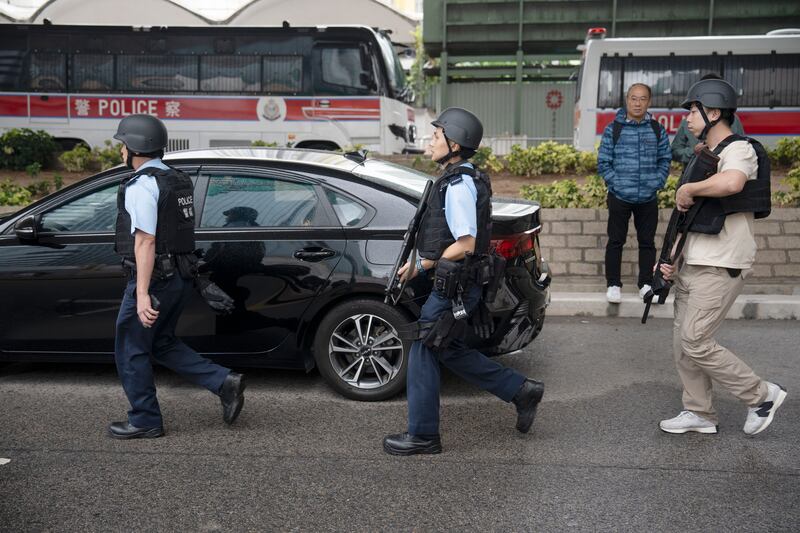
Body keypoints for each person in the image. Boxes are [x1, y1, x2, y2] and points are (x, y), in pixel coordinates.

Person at [382, 107, 544, 456]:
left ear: (454, 143)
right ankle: (521, 390)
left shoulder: (458, 184)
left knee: (425, 344)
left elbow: (466, 243)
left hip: (455, 285)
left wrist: (430, 264)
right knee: (445, 347)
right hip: (456, 281)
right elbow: (452, 240)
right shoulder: (459, 177)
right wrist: (419, 267)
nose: (431, 140)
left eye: (437, 135)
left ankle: (423, 434)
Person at [658, 79, 786, 436]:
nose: (686, 119)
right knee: (683, 344)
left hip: (722, 263)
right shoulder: (702, 156)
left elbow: (731, 184)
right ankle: (699, 412)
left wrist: (688, 188)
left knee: (696, 339)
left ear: (713, 112)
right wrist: (669, 258)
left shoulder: (739, 149)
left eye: (692, 111)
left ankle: (761, 395)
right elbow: (690, 217)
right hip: (693, 261)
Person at [109, 114, 246, 439]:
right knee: (163, 342)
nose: (120, 151)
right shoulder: (177, 179)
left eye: (122, 144)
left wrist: (141, 293)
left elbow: (146, 240)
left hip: (155, 281)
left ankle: (144, 420)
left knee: (130, 348)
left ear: (134, 148)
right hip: (181, 277)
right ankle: (223, 382)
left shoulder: (143, 185)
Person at [598, 83, 671, 303]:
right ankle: (613, 285)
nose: (637, 103)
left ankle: (646, 284)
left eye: (642, 99)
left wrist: (656, 182)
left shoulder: (657, 129)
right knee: (615, 241)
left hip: (648, 197)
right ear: (627, 100)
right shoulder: (614, 129)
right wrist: (616, 184)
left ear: (649, 102)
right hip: (619, 196)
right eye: (633, 98)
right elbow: (603, 162)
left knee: (647, 242)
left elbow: (665, 160)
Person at [671, 73, 745, 165]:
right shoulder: (688, 121)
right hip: (692, 174)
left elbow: (740, 147)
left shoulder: (733, 120)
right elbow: (674, 151)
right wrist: (693, 152)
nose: (689, 119)